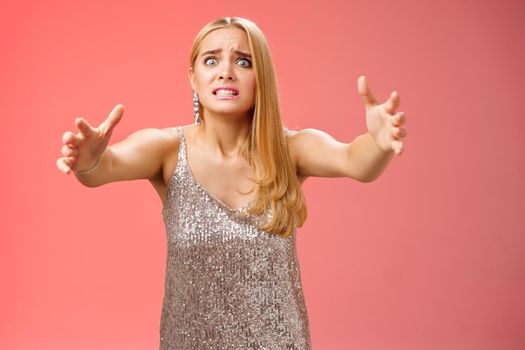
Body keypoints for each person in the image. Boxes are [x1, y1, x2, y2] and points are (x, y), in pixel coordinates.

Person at [56, 16, 407, 350]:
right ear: (192, 77)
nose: (225, 72)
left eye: (243, 62)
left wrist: (378, 143)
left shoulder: (291, 148)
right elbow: (105, 168)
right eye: (211, 61)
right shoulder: (165, 148)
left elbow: (354, 161)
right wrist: (88, 161)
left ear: (262, 76)